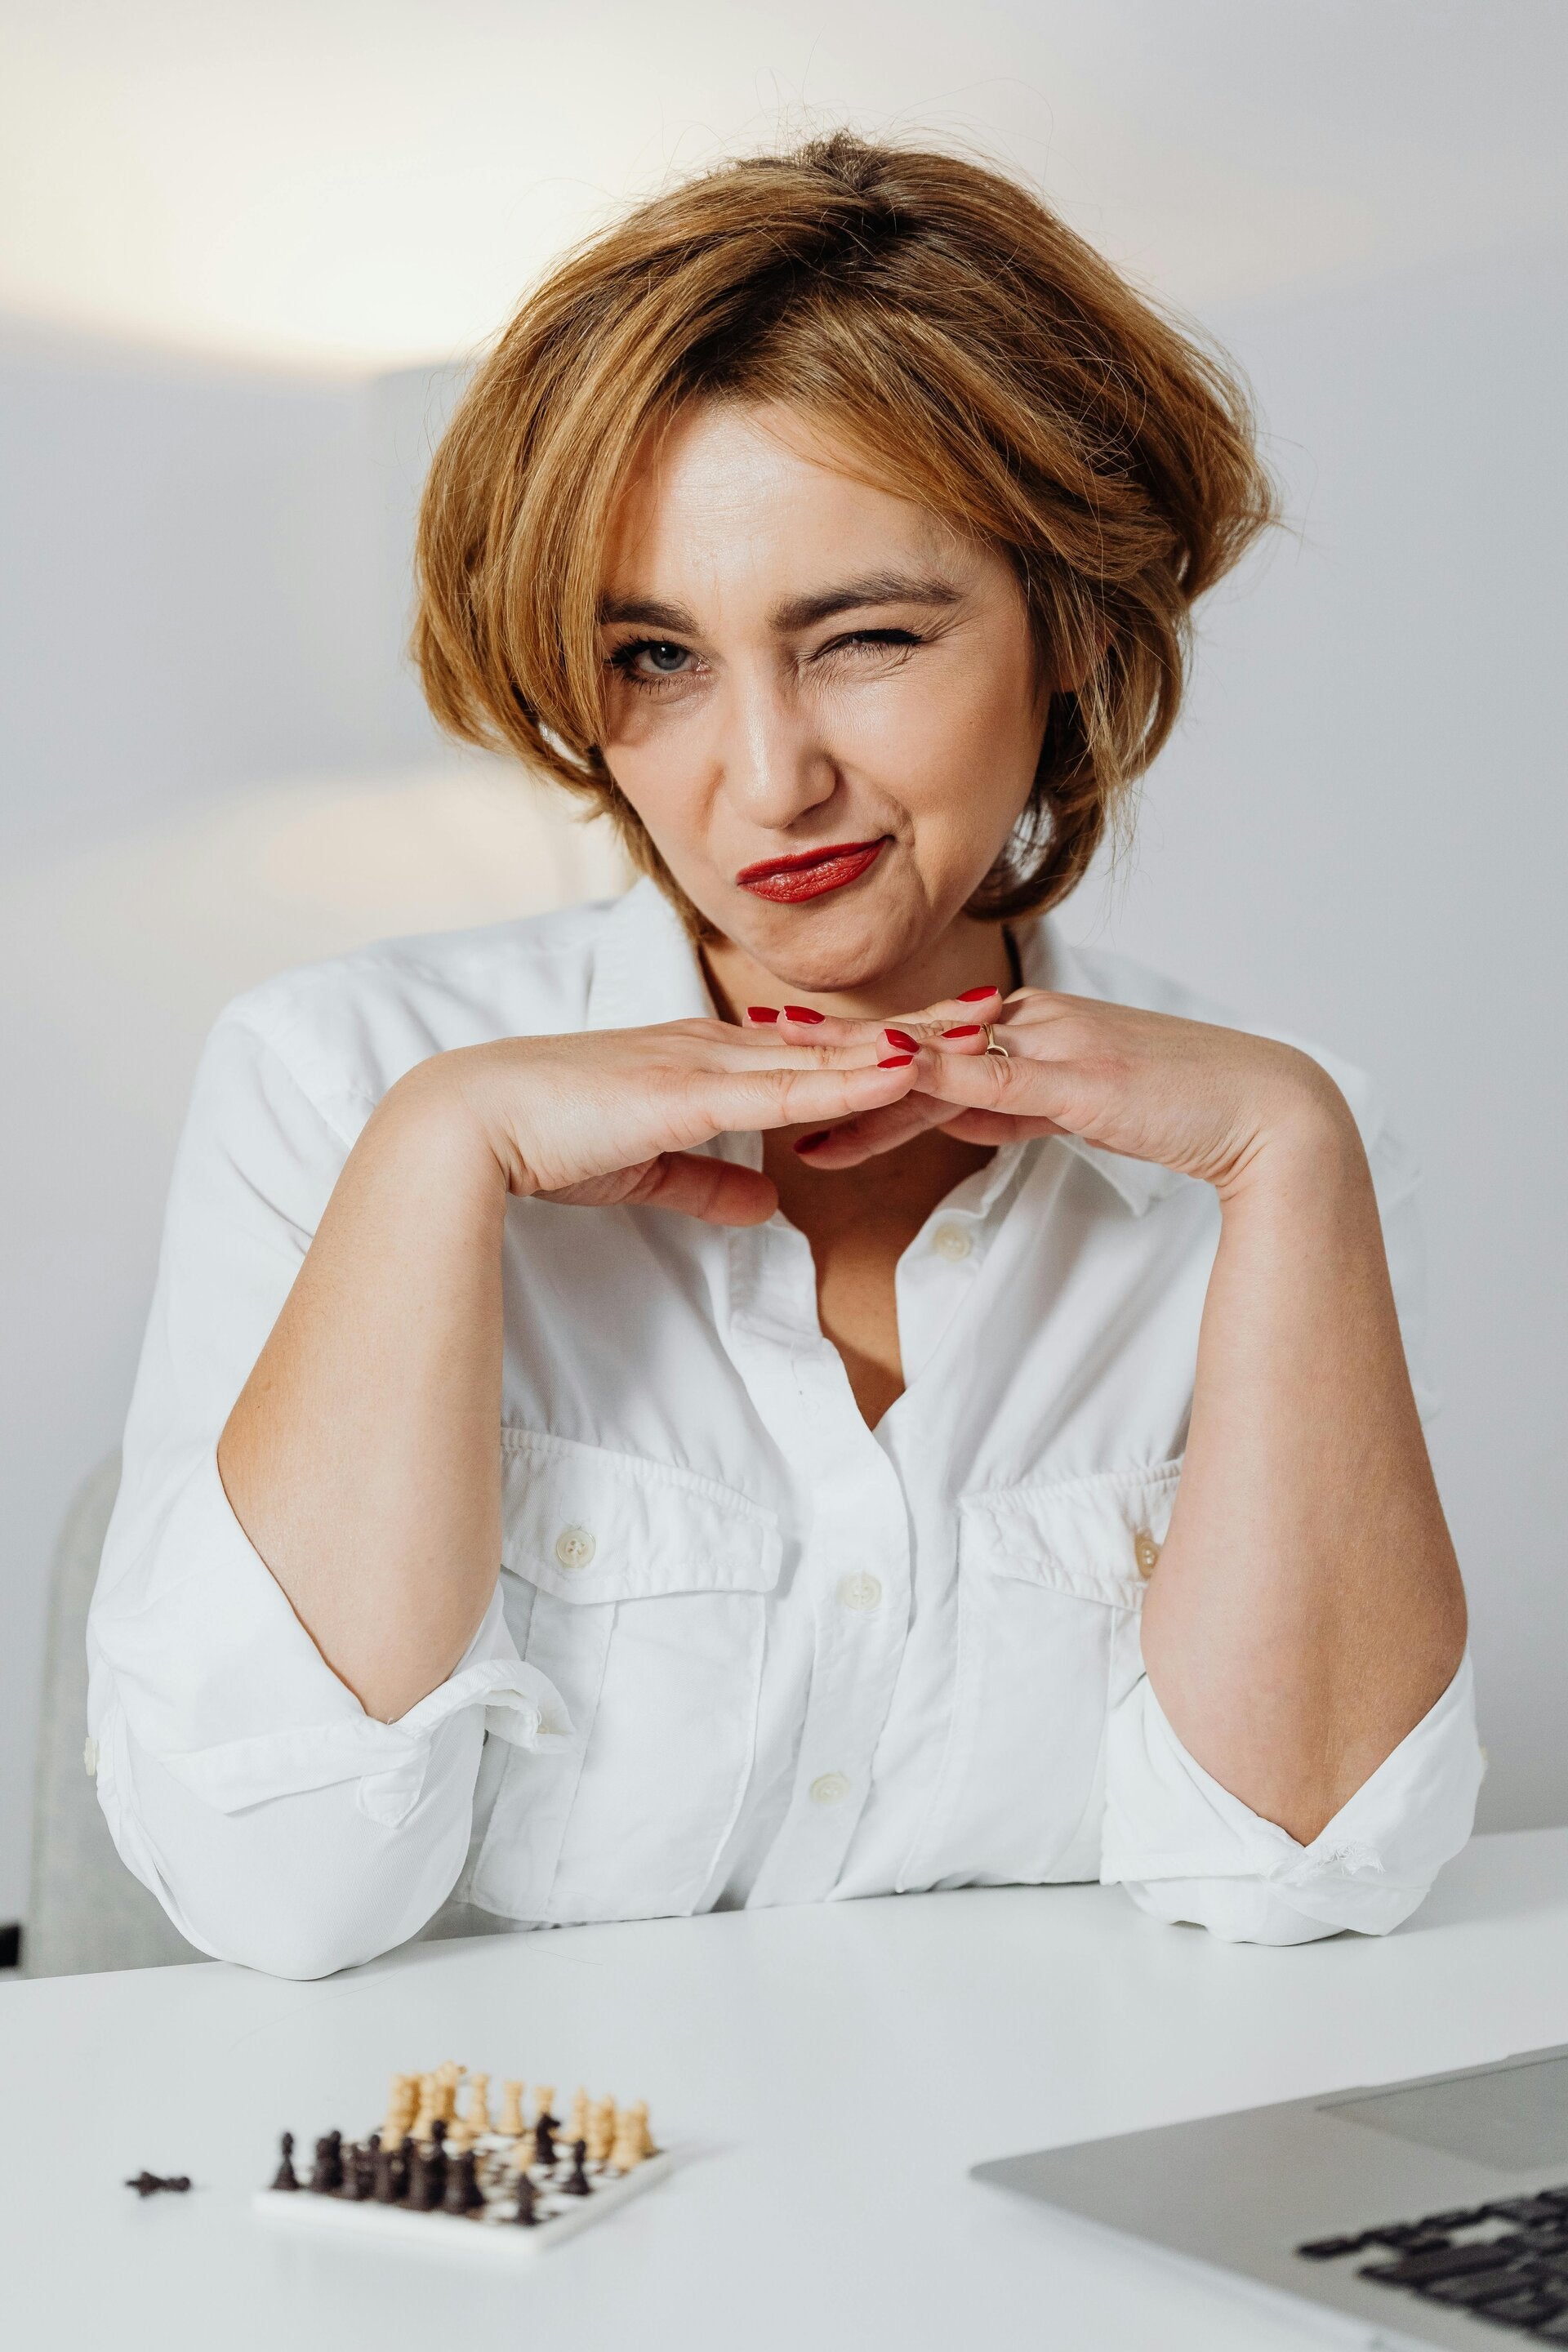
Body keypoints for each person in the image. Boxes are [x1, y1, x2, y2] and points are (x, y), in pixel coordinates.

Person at [87, 133, 1480, 1979]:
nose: (766, 782)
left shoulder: (1265, 1141)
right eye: (656, 658)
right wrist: (440, 1156)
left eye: (866, 638)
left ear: (1072, 622)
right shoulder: (342, 1080)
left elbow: (1302, 1880)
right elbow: (277, 1896)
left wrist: (1290, 1152)